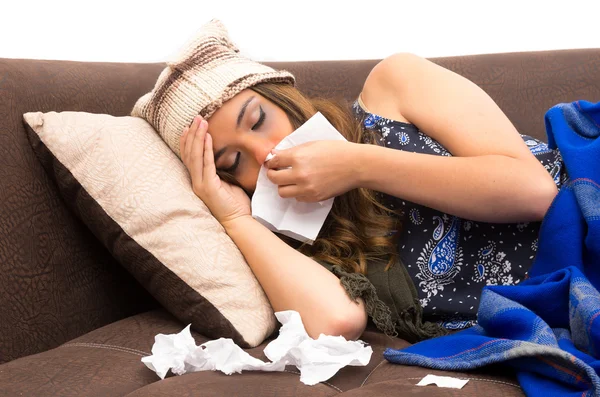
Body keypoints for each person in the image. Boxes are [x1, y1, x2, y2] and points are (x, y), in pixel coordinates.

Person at [133, 20, 567, 343]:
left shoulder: (392, 85)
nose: (265, 154)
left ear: (282, 95)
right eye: (234, 161)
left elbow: (533, 191)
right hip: (559, 303)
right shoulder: (291, 241)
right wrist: (234, 219)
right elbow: (337, 320)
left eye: (259, 119)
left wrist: (358, 165)